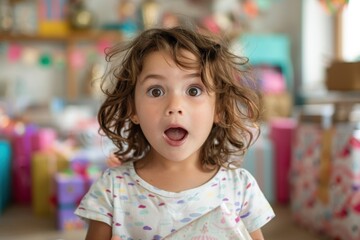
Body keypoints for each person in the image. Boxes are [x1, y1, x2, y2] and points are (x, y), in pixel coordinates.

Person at [75, 26, 275, 240]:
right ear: (133, 109)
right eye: (156, 91)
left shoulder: (240, 188)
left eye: (193, 90)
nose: (175, 105)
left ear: (218, 108)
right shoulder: (112, 190)